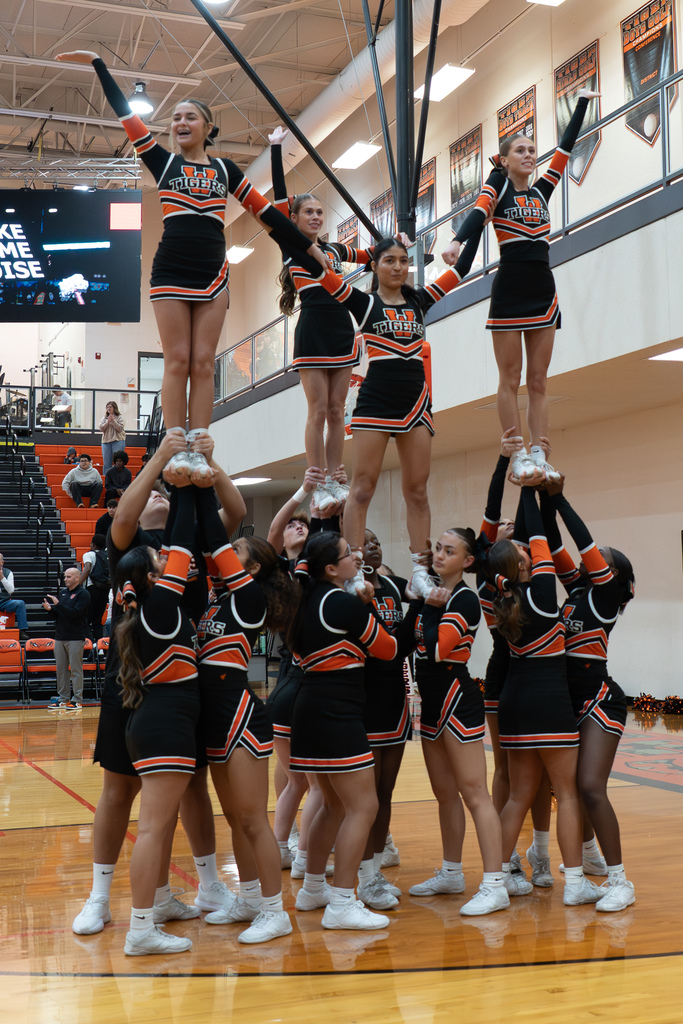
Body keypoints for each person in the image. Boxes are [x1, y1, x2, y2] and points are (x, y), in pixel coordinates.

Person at [56, 52, 329, 484]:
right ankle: (175, 444)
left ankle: (200, 446)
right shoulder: (163, 161)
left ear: (207, 126)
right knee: (176, 360)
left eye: (190, 116)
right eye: (176, 118)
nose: (180, 122)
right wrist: (98, 65)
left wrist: (306, 248)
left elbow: (268, 215)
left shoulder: (225, 168)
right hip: (170, 270)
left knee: (204, 363)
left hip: (213, 273)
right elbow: (126, 115)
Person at [71, 434, 247, 939]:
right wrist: (160, 461)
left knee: (189, 785)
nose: (158, 498)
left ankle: (207, 885)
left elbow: (232, 510)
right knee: (118, 788)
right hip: (129, 680)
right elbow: (124, 513)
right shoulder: (129, 546)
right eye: (152, 494)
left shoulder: (189, 543)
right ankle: (99, 897)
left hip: (184, 682)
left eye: (164, 496)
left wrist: (210, 459)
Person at [274, 232, 481, 599]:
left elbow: (461, 269)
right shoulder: (364, 304)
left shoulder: (421, 300)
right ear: (375, 265)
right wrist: (297, 239)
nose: (398, 266)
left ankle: (420, 572)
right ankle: (354, 571)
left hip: (416, 403)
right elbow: (321, 271)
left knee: (417, 491)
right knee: (361, 489)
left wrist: (476, 222)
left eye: (403, 260)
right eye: (389, 260)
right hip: (375, 402)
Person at [442, 89, 599, 483]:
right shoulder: (498, 191)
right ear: (505, 159)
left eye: (532, 149)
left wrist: (580, 103)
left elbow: (565, 147)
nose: (530, 155)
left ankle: (540, 451)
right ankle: (516, 453)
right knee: (510, 379)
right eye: (521, 151)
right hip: (510, 287)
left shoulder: (543, 189)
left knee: (540, 380)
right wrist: (456, 242)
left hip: (543, 288)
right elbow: (478, 216)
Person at [481, 487, 603, 907]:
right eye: (523, 552)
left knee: (518, 795)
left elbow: (530, 540)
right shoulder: (543, 592)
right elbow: (540, 536)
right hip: (549, 701)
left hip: (512, 703)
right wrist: (531, 485)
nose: (530, 552)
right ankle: (574, 884)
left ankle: (493, 885)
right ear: (522, 563)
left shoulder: (500, 599)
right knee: (566, 794)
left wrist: (529, 490)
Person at [193, 495, 302, 944]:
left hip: (239, 714)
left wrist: (203, 483)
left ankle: (276, 913)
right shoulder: (219, 601)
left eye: (239, 553)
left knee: (254, 820)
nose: (228, 553)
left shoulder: (249, 600)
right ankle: (250, 897)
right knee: (235, 817)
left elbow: (216, 539)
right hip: (212, 715)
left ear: (251, 570)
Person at [287, 531, 399, 931]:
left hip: (311, 707)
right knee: (363, 807)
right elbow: (388, 649)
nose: (355, 557)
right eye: (347, 555)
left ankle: (313, 888)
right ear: (331, 569)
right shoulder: (340, 602)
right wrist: (366, 606)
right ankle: (342, 902)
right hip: (337, 712)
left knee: (334, 805)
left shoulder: (304, 600)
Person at [114, 482, 204, 955]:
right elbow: (185, 543)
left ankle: (153, 915)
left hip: (155, 723)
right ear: (151, 579)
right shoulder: (163, 604)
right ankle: (141, 930)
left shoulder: (146, 609)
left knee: (160, 827)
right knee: (152, 830)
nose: (164, 560)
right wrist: (185, 489)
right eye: (157, 561)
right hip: (164, 726)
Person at [269, 126, 380, 511]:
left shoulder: (333, 249)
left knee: (337, 411)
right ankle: (316, 477)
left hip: (342, 329)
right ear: (295, 218)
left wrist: (396, 244)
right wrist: (275, 149)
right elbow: (279, 199)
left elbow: (371, 255)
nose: (315, 216)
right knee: (317, 411)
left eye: (319, 211)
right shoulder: (291, 245)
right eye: (308, 212)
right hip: (314, 329)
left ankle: (336, 477)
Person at [540, 481, 636, 913]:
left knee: (591, 787)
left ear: (613, 574)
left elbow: (583, 541)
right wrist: (541, 495)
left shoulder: (606, 596)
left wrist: (559, 497)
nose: (593, 557)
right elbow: (553, 540)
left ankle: (621, 881)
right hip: (565, 696)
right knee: (568, 789)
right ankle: (591, 855)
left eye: (603, 558)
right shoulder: (577, 590)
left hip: (599, 696)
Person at [410, 528, 510, 917]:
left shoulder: (465, 598)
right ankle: (451, 873)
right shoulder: (433, 595)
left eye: (449, 551)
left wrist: (427, 600)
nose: (439, 555)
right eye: (437, 548)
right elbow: (408, 639)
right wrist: (422, 597)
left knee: (475, 794)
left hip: (456, 699)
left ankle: (495, 884)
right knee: (444, 793)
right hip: (431, 703)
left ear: (468, 561)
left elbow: (436, 648)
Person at [355, 528, 412, 910]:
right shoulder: (350, 590)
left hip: (394, 696)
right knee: (365, 798)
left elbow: (402, 643)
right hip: (361, 697)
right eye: (365, 541)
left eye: (377, 541)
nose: (373, 545)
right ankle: (359, 877)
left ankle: (374, 871)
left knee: (386, 792)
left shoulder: (393, 586)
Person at [43, 565, 90, 710]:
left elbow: (76, 613)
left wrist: (59, 605)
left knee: (76, 669)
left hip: (75, 637)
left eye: (69, 577)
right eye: (65, 576)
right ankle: (63, 699)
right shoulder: (63, 594)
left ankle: (77, 700)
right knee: (61, 669)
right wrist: (51, 609)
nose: (65, 579)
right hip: (60, 636)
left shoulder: (84, 594)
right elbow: (60, 614)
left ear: (77, 577)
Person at [81, 534, 110, 641]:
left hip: (92, 588)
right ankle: (100, 646)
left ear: (93, 544)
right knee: (97, 621)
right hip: (105, 588)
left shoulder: (89, 555)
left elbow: (87, 568)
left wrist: (78, 583)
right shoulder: (108, 555)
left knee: (86, 619)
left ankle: (90, 645)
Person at [0, 553, 29, 641]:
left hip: (4, 601)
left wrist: (2, 578)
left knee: (20, 603)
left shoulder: (8, 572)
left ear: (2, 562)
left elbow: (11, 590)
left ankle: (22, 631)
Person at [99, 401, 126, 474]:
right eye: (107, 407)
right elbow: (101, 428)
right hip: (106, 442)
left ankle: (118, 478)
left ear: (114, 408)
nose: (108, 408)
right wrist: (107, 422)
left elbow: (120, 429)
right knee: (107, 463)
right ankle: (106, 479)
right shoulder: (104, 418)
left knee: (118, 462)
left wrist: (113, 421)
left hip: (118, 441)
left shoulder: (120, 417)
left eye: (110, 407)